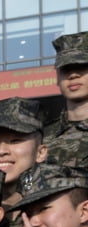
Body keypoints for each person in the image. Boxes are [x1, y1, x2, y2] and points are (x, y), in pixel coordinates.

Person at [44, 32, 88, 166]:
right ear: (57, 78)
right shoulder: (43, 136)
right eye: (65, 69)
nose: (73, 75)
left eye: (82, 66)